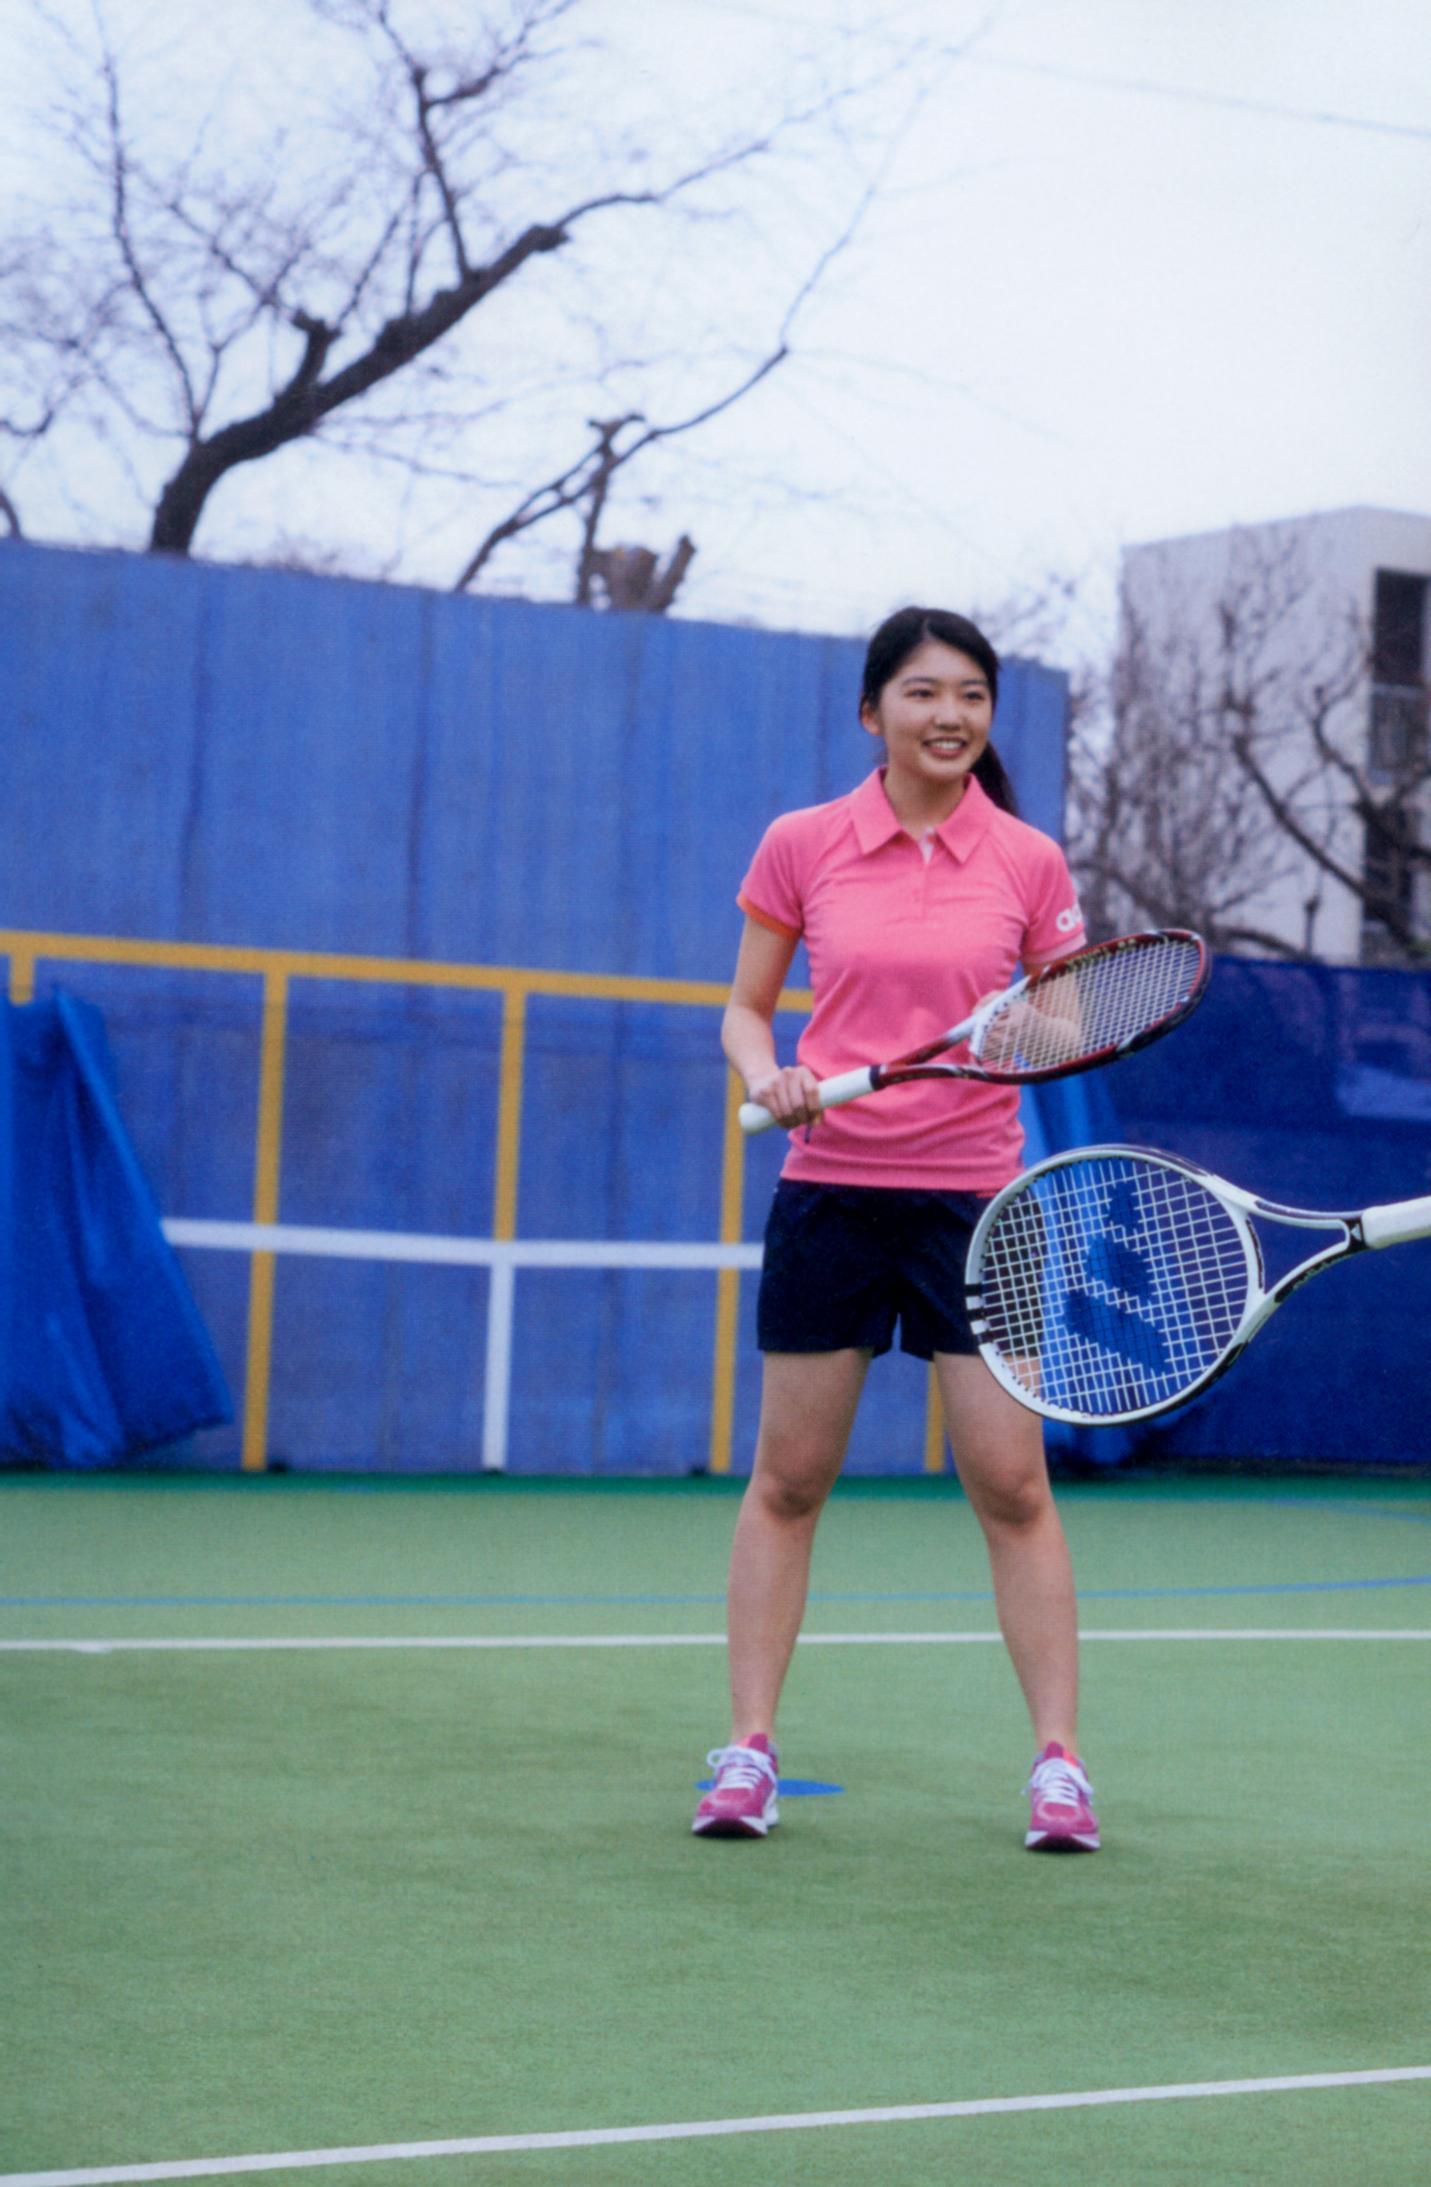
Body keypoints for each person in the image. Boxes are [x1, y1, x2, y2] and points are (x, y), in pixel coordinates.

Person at [692, 606, 1099, 1852]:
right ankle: (748, 1751)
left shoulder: (1029, 861)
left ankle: (1059, 1769)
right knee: (790, 1481)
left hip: (978, 1207)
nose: (951, 716)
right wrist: (771, 1077)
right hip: (830, 1195)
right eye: (924, 693)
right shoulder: (802, 843)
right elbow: (748, 1012)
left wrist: (1030, 1031)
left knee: (1014, 1488)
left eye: (972, 694)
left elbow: (1067, 1023)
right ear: (874, 712)